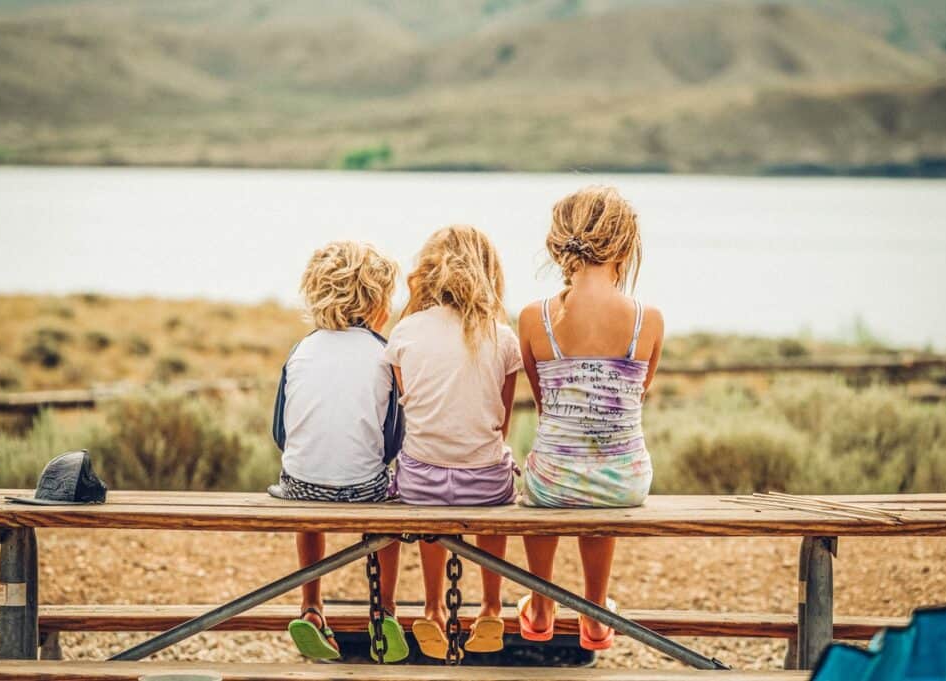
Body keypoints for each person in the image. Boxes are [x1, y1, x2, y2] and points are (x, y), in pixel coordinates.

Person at [517, 186, 664, 651]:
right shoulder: (649, 319)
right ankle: (595, 612)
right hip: (624, 480)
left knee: (548, 480)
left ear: (559, 243)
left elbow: (544, 404)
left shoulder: (533, 317)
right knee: (599, 486)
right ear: (624, 245)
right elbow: (636, 396)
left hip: (553, 479)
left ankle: (540, 607)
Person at [384, 225, 522, 659]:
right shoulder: (503, 336)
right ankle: (491, 607)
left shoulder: (405, 333)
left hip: (420, 482)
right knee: (495, 480)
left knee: (430, 484)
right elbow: (502, 425)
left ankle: (432, 607)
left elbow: (411, 412)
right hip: (484, 482)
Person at [269, 240, 408, 662]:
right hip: (366, 488)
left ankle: (312, 607)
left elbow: (281, 432)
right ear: (377, 298)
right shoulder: (383, 353)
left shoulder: (302, 350)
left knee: (306, 493)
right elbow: (392, 440)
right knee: (390, 506)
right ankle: (384, 610)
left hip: (300, 486)